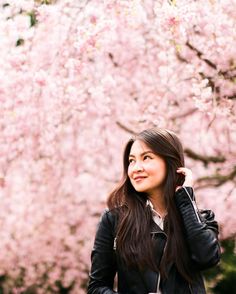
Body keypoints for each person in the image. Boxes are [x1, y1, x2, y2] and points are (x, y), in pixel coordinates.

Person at [87, 128, 221, 294]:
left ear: (170, 162)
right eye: (131, 161)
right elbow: (96, 287)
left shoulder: (200, 218)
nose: (136, 168)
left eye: (146, 158)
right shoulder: (114, 220)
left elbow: (206, 258)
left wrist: (186, 200)